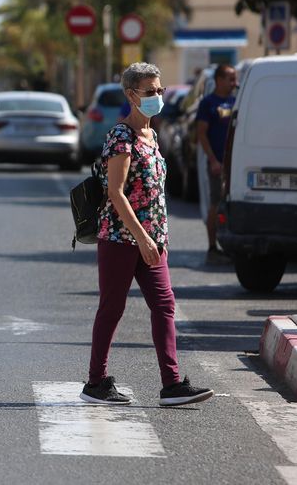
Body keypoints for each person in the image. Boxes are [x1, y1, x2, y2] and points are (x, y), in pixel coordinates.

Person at [80, 62, 214, 408]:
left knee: (164, 305)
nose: (157, 96)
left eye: (159, 90)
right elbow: (116, 192)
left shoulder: (152, 136)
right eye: (149, 91)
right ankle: (96, 382)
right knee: (112, 308)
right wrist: (141, 238)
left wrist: (153, 238)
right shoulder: (121, 137)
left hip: (153, 239)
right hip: (122, 239)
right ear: (131, 95)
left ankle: (171, 385)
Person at [196, 64, 237, 265]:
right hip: (217, 163)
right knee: (215, 203)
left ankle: (230, 243)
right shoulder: (208, 103)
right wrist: (213, 160)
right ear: (219, 80)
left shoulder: (235, 101)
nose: (234, 83)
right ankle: (212, 247)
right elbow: (201, 133)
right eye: (230, 79)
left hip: (234, 164)